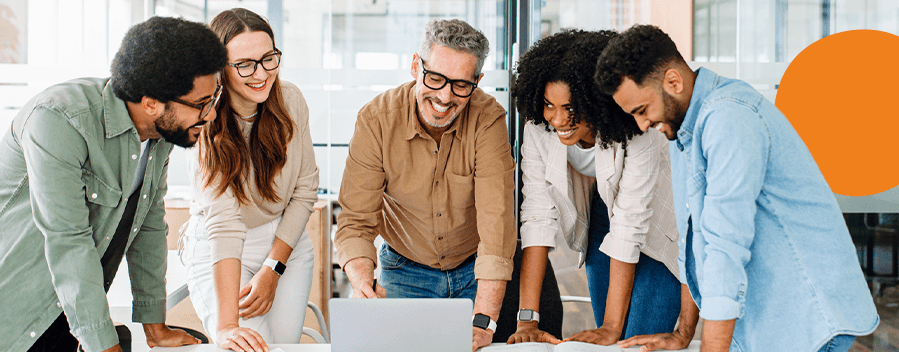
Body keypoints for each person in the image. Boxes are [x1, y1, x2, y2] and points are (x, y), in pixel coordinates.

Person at [0, 16, 227, 352]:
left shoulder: (159, 133)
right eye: (202, 104)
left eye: (214, 98)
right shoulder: (59, 119)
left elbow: (147, 225)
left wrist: (155, 327)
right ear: (151, 103)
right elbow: (68, 240)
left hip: (65, 289)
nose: (211, 115)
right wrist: (103, 346)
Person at [594, 24, 879, 352]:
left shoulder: (729, 117)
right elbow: (692, 238)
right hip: (765, 321)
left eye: (642, 111)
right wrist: (683, 332)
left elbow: (724, 245)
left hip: (807, 320)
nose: (642, 125)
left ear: (673, 82)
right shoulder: (682, 125)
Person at [333, 19, 516, 352]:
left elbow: (497, 225)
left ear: (477, 82)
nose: (445, 96)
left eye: (461, 85)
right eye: (435, 78)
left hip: (474, 270)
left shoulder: (488, 119)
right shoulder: (376, 121)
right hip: (403, 269)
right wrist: (362, 283)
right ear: (416, 65)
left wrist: (484, 319)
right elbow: (356, 222)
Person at [507, 29, 686, 346]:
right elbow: (537, 217)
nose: (557, 119)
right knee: (609, 341)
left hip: (656, 228)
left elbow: (630, 223)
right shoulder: (539, 128)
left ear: (596, 100)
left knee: (635, 340)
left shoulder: (636, 128)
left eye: (570, 108)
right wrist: (528, 319)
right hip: (602, 218)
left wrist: (612, 327)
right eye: (549, 104)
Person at [181, 8, 319, 352]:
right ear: (219, 69)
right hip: (222, 246)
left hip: (285, 243)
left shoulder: (290, 100)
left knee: (284, 347)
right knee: (249, 347)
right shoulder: (204, 121)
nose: (261, 74)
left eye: (268, 58)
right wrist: (227, 326)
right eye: (244, 64)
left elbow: (304, 191)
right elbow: (225, 225)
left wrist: (273, 267)